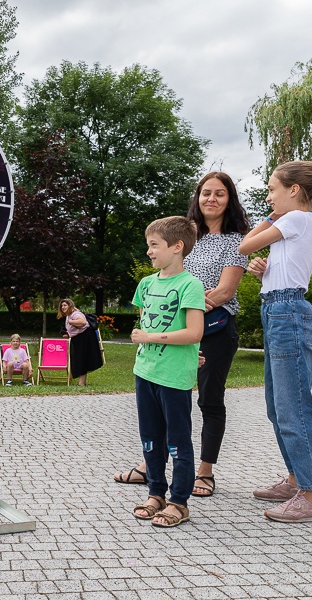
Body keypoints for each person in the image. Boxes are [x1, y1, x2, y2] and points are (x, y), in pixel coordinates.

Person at [114, 172, 249, 497]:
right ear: (197, 197)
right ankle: (152, 466)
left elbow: (225, 291)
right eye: (206, 193)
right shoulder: (185, 235)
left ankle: (204, 471)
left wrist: (187, 312)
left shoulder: (237, 240)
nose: (211, 199)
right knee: (163, 396)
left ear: (229, 199)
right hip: (174, 329)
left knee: (209, 399)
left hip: (214, 328)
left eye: (219, 194)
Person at [239, 160, 312, 523]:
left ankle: (311, 498)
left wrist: (267, 219)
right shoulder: (294, 225)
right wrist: (264, 270)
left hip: (288, 313)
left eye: (271, 190)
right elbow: (264, 258)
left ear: (293, 190)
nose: (268, 197)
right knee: (277, 407)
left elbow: (244, 245)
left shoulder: (294, 219)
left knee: (293, 407)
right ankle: (298, 479)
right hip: (277, 309)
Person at [129, 216, 205, 528]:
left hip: (173, 379)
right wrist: (144, 336)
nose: (149, 251)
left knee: (177, 441)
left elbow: (194, 333)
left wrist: (152, 338)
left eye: (154, 245)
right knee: (150, 438)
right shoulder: (146, 284)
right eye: (148, 245)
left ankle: (178, 502)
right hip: (144, 372)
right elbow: (149, 321)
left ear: (177, 247)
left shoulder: (191, 285)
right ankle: (156, 493)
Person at [57, 299, 103, 386]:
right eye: (62, 306)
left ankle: (81, 383)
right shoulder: (69, 315)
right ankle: (81, 383)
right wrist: (68, 334)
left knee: (81, 360)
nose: (63, 307)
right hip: (78, 339)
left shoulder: (75, 314)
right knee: (79, 360)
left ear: (70, 306)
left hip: (84, 338)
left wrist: (71, 321)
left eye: (65, 305)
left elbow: (83, 322)